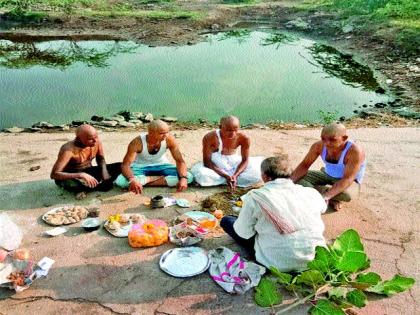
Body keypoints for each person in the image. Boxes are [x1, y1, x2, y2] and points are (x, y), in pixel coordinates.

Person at [220, 155, 327, 272]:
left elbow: (244, 233)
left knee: (227, 221)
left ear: (264, 176)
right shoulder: (310, 193)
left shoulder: (255, 197)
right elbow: (323, 208)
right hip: (314, 259)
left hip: (277, 263)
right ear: (291, 174)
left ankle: (273, 253)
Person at [291, 122, 366, 211]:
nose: (327, 143)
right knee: (296, 177)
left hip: (347, 179)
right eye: (323, 139)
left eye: (332, 139)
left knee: (349, 196)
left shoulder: (355, 151)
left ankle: (321, 193)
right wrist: (288, 183)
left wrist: (326, 196)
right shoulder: (318, 145)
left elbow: (348, 179)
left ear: (344, 138)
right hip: (326, 173)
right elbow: (304, 165)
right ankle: (327, 195)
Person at [114, 120, 193, 194]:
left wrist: (183, 178)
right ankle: (154, 180)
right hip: (140, 167)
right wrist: (132, 180)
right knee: (121, 181)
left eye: (167, 132)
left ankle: (145, 181)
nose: (166, 135)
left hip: (162, 165)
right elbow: (125, 165)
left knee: (188, 177)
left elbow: (180, 161)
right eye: (162, 133)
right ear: (151, 133)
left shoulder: (169, 139)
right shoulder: (137, 142)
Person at [191, 115, 263, 190]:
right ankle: (227, 179)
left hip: (234, 163)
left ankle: (226, 180)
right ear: (220, 127)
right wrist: (225, 175)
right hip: (216, 164)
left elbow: (245, 160)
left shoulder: (244, 138)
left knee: (258, 174)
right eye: (228, 130)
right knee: (202, 175)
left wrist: (235, 175)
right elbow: (207, 162)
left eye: (235, 130)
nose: (232, 134)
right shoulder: (210, 137)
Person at [51, 124, 121, 193]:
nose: (95, 141)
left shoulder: (96, 142)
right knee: (73, 185)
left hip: (89, 171)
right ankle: (96, 186)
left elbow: (100, 159)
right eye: (90, 139)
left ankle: (95, 185)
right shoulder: (68, 149)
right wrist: (81, 175)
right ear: (78, 139)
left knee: (121, 166)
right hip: (72, 176)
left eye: (96, 137)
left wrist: (104, 173)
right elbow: (54, 174)